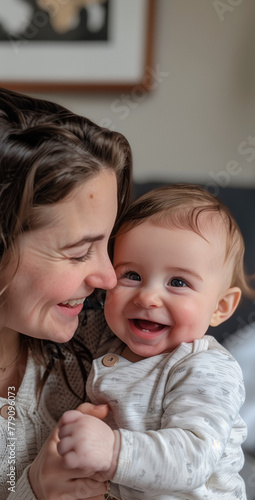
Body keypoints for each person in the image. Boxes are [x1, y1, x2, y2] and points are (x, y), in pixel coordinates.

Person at [57, 184, 255, 500]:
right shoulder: (106, 343)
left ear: (220, 307)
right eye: (131, 275)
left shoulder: (206, 367)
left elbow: (194, 458)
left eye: (177, 282)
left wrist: (113, 450)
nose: (148, 296)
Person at [0, 86, 132, 500]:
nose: (108, 278)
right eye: (78, 253)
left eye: (106, 246)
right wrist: (36, 491)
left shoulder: (93, 344)